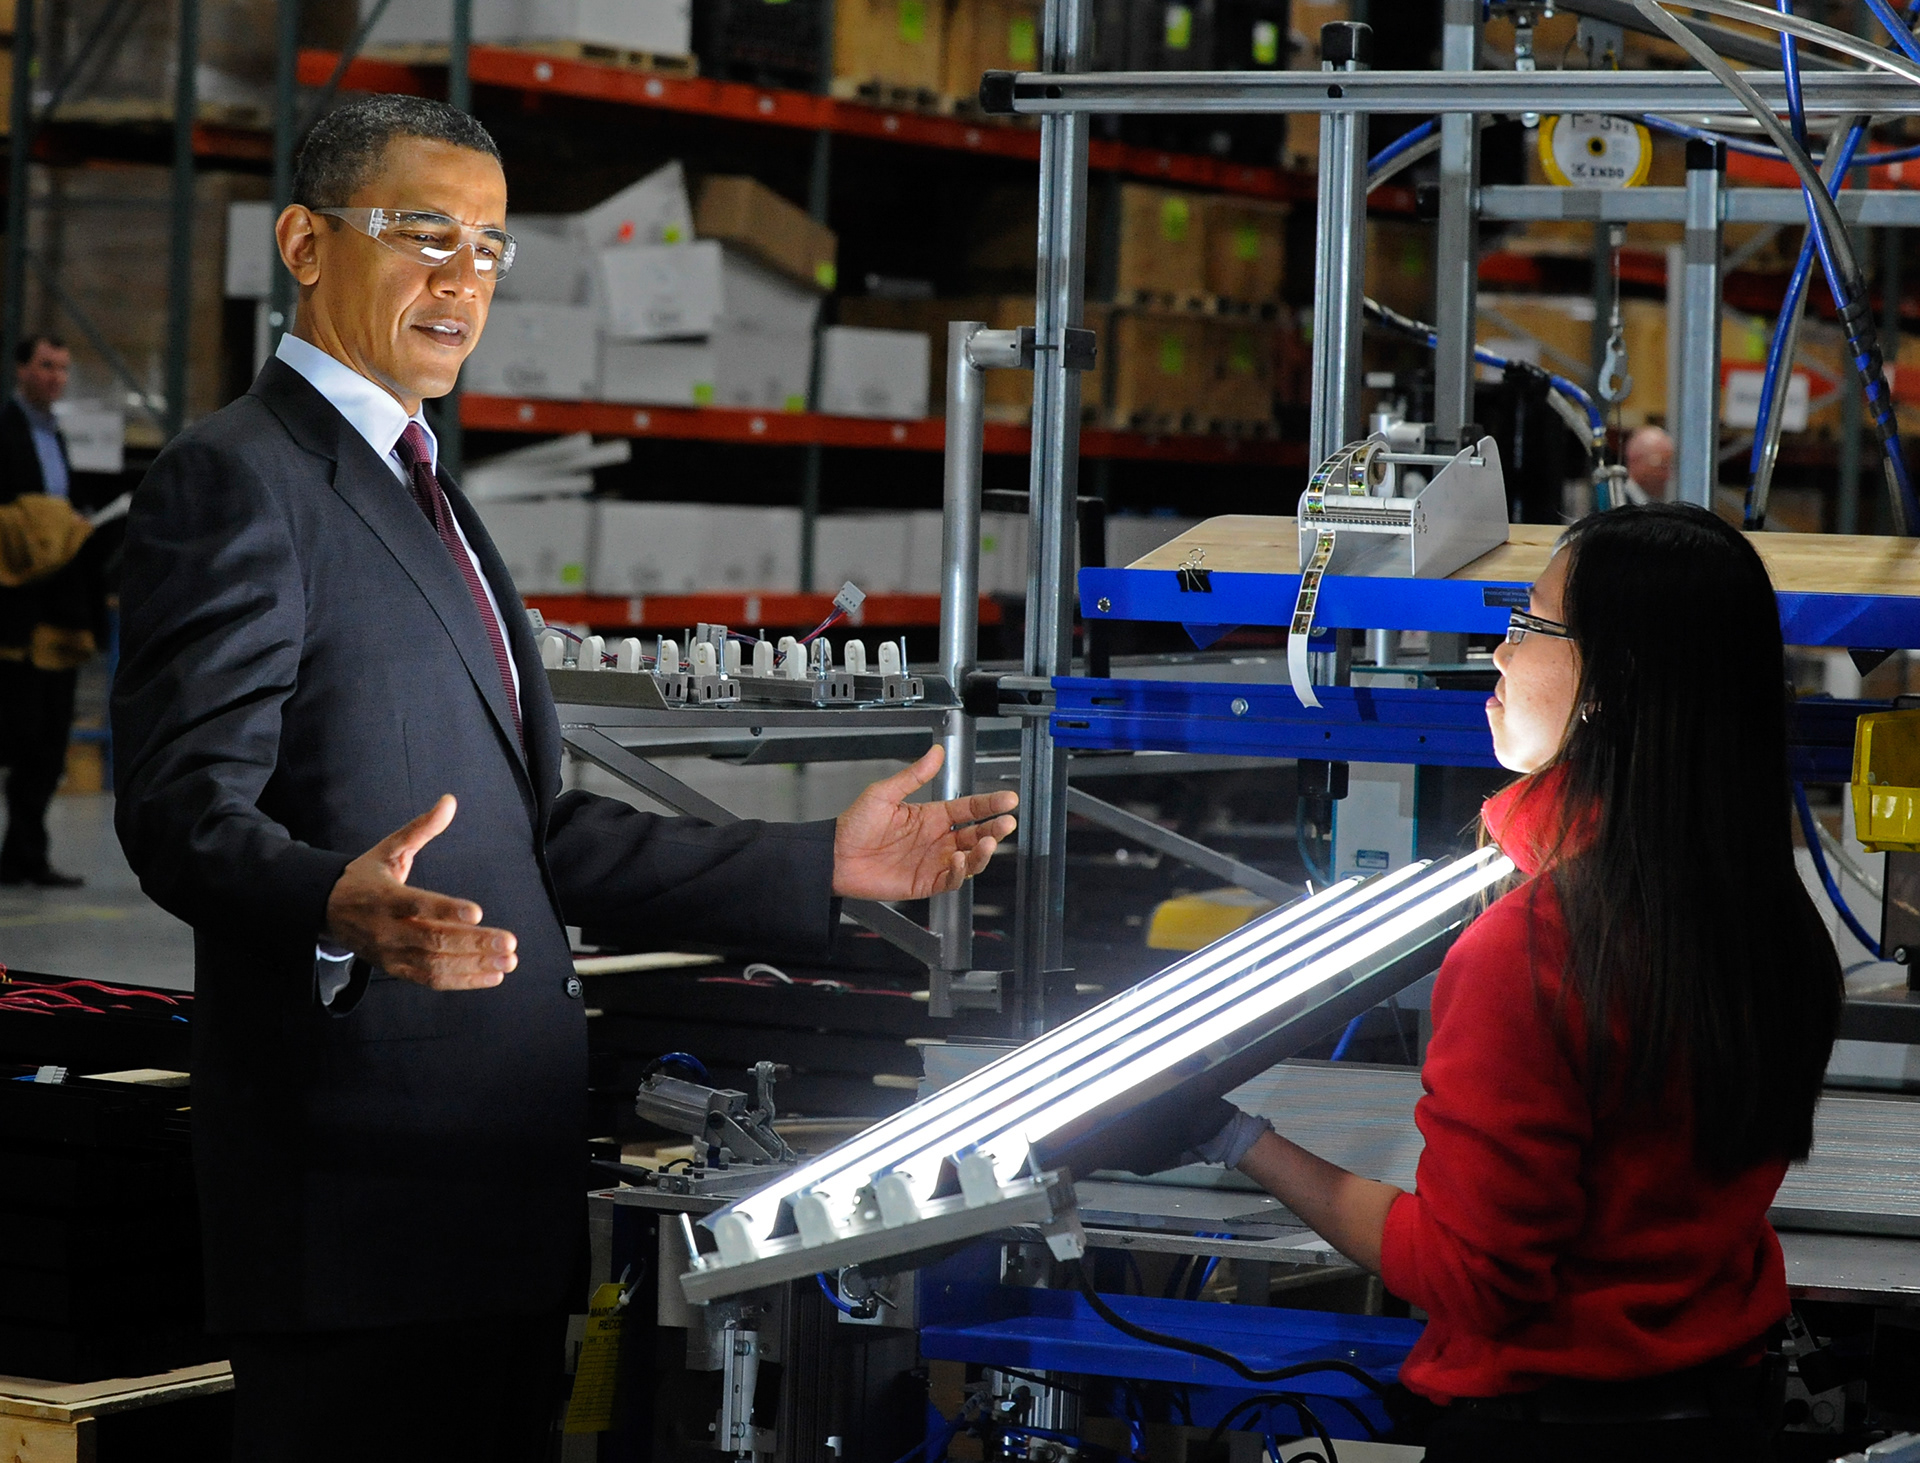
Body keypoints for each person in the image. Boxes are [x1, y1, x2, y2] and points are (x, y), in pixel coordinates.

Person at [110, 95, 1018, 1463]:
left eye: (488, 246)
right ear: (303, 241)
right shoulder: (238, 479)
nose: (461, 278)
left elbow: (537, 831)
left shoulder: (430, 485)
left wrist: (816, 861)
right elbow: (181, 810)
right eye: (424, 234)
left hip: (492, 1192)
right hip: (356, 1202)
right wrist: (331, 901)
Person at [1179, 503, 1842, 1461]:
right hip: (1729, 1414)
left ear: (1614, 680)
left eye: (1528, 624)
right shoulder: (1775, 925)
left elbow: (1469, 1276)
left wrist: (1235, 1137)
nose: (1496, 652)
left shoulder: (1532, 950)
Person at [0, 333, 93, 887]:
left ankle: (25, 854)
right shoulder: (5, 431)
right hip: (13, 611)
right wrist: (45, 524)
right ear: (20, 370)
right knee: (15, 734)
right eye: (44, 366)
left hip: (56, 608)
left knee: (45, 745)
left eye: (61, 368)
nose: (54, 378)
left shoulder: (56, 435)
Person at [1623, 423, 1674, 503]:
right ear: (1636, 460)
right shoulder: (1615, 503)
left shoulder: (1652, 504)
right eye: (1662, 466)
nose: (1667, 476)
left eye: (1669, 466)